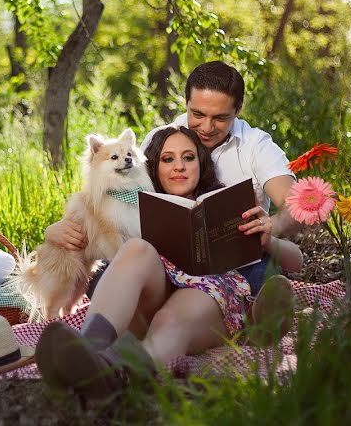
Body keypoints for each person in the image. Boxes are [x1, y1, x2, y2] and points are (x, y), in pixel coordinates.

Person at [35, 124, 303, 399]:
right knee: (136, 249)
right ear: (154, 166)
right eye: (168, 159)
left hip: (203, 295)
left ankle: (116, 374)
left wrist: (268, 237)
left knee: (172, 317)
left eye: (188, 158)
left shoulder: (226, 204)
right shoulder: (126, 204)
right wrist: (52, 231)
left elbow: (297, 262)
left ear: (200, 163)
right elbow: (83, 227)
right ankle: (88, 351)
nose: (179, 167)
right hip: (149, 293)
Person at [45, 60, 303, 257]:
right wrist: (56, 229)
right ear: (186, 102)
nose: (206, 127)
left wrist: (271, 226)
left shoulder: (256, 145)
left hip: (237, 258)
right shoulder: (162, 138)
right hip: (159, 258)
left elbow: (297, 206)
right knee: (109, 275)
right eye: (197, 114)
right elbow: (108, 197)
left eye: (220, 118)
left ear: (239, 108)